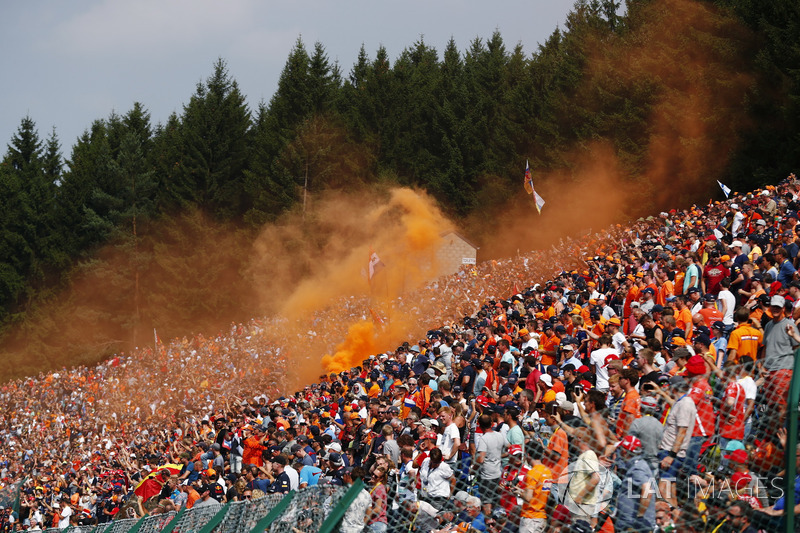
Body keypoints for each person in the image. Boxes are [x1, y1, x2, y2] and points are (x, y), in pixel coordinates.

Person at [614, 435, 656, 533]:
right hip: (630, 523)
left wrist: (640, 517)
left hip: (632, 525)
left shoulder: (637, 468)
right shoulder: (638, 464)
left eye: (620, 449)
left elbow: (647, 490)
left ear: (624, 451)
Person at [516, 440, 552, 533]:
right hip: (541, 517)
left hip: (530, 517)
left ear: (528, 454)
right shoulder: (547, 472)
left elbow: (528, 497)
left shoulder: (532, 473)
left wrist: (519, 492)